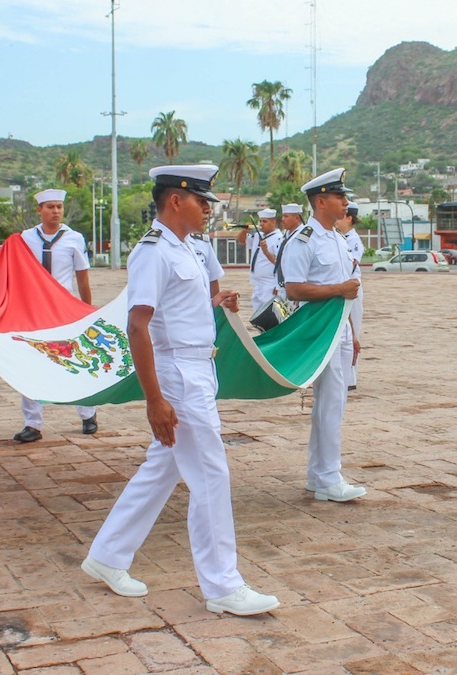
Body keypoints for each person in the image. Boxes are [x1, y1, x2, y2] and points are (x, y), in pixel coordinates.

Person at [82, 164, 278, 616]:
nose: (208, 210)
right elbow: (138, 325)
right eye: (201, 201)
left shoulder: (187, 248)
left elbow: (180, 308)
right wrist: (155, 399)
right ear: (176, 201)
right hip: (178, 376)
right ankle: (223, 586)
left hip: (197, 367)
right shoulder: (153, 251)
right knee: (211, 475)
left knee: (164, 468)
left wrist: (217, 303)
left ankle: (108, 556)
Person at [279, 168, 366, 502]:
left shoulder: (337, 238)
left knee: (334, 403)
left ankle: (319, 474)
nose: (345, 202)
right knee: (329, 404)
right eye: (339, 197)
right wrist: (337, 289)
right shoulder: (304, 239)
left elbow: (348, 295)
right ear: (320, 200)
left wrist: (353, 334)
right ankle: (330, 477)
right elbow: (294, 289)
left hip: (340, 330)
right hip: (318, 330)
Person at [13, 189, 97, 442]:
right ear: (39, 210)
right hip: (34, 310)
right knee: (30, 365)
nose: (56, 211)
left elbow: (82, 276)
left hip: (65, 309)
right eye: (50, 207)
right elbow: (15, 273)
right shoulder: (25, 238)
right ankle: (33, 423)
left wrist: (87, 311)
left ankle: (88, 413)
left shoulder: (73, 238)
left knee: (75, 361)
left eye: (59, 207)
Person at [335, 201, 365, 389]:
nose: (337, 221)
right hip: (342, 288)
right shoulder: (339, 238)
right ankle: (343, 375)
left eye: (341, 217)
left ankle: (350, 378)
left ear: (349, 218)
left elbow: (350, 266)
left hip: (352, 289)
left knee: (353, 333)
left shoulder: (353, 241)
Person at [242, 208, 282, 313]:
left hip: (270, 284)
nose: (261, 224)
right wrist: (244, 231)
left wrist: (278, 284)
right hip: (257, 284)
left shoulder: (278, 238)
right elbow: (242, 241)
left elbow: (280, 263)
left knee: (270, 316)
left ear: (273, 222)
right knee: (258, 316)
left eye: (265, 221)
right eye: (260, 221)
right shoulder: (257, 236)